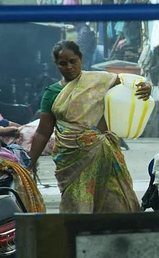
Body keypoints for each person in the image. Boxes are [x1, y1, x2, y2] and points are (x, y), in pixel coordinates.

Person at [28, 40, 151, 213]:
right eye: (63, 63)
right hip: (71, 160)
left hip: (103, 153)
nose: (69, 67)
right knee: (78, 208)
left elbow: (132, 83)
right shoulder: (51, 93)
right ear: (56, 65)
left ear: (81, 59)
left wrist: (146, 87)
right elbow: (43, 132)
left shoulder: (98, 80)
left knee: (115, 203)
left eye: (73, 61)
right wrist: (30, 162)